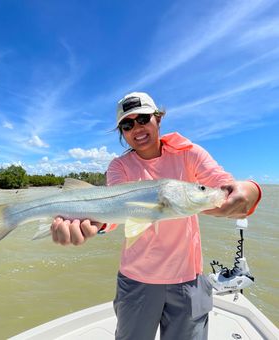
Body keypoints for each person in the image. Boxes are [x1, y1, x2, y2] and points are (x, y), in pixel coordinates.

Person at [51, 92, 262, 340]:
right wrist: (95, 225)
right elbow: (113, 214)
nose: (136, 128)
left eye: (143, 119)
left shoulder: (189, 153)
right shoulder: (119, 166)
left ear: (158, 119)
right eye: (127, 125)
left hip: (188, 281)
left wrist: (251, 191)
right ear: (122, 133)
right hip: (136, 281)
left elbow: (223, 185)